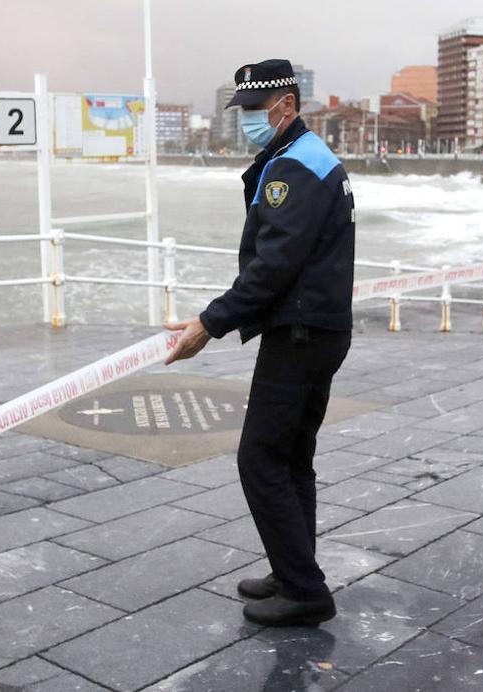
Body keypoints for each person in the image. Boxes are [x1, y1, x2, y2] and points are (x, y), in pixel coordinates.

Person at [164, 58, 355, 627]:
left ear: (287, 106)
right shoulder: (308, 157)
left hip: (300, 332)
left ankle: (304, 590)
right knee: (293, 457)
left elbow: (274, 266)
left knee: (261, 457)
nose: (246, 119)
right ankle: (291, 567)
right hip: (320, 327)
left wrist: (209, 322)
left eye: (254, 109)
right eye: (242, 109)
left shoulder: (293, 168)